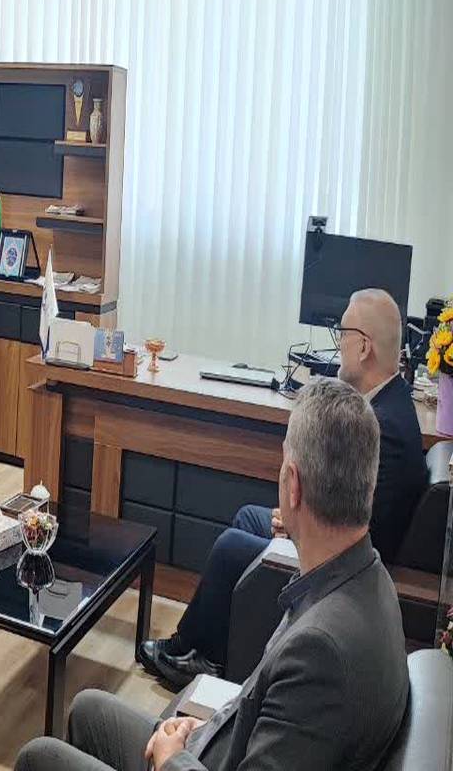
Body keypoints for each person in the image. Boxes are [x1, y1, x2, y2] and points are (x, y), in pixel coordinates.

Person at [15, 377, 408, 771]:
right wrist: (210, 726)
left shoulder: (321, 652)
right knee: (89, 710)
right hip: (217, 747)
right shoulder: (368, 581)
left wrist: (173, 759)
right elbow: (265, 714)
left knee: (39, 757)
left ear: (293, 485)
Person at [139, 288, 427, 686]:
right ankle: (214, 652)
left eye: (342, 333)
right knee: (248, 517)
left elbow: (361, 524)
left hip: (344, 564)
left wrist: (296, 527)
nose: (337, 344)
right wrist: (294, 518)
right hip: (340, 539)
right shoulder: (392, 404)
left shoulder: (383, 426)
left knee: (230, 546)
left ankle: (191, 650)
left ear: (363, 347)